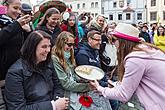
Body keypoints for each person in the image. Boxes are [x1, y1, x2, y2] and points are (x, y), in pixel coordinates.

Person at [90, 23, 165, 110]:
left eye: (114, 40)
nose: (112, 43)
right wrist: (116, 85)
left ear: (123, 41)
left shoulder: (135, 59)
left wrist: (100, 89)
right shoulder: (147, 50)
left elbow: (123, 95)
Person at [4, 30, 69, 110]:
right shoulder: (15, 73)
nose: (48, 50)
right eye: (44, 46)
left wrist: (57, 99)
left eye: (49, 46)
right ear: (32, 47)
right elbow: (17, 108)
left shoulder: (48, 63)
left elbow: (57, 85)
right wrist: (53, 106)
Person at [51, 31, 112, 110]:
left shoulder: (69, 54)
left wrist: (86, 80)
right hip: (67, 94)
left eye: (73, 45)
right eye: (69, 45)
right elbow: (65, 83)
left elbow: (75, 75)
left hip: (76, 88)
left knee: (104, 100)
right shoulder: (55, 58)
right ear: (61, 43)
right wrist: (87, 87)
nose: (71, 47)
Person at [0, 0, 32, 80]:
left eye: (20, 9)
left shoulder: (16, 23)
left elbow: (26, 45)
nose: (18, 12)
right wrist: (17, 25)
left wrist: (28, 32)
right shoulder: (14, 24)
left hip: (16, 70)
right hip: (3, 74)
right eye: (15, 8)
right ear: (5, 6)